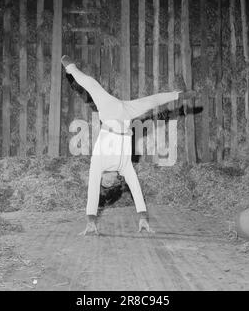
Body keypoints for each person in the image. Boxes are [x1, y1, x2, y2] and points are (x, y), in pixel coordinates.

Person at [61, 55, 184, 235]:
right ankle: (178, 94)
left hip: (109, 112)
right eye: (112, 184)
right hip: (125, 116)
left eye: (105, 183)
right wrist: (143, 217)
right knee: (150, 102)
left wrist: (90, 220)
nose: (109, 182)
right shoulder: (124, 168)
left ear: (102, 177)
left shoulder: (98, 164)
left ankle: (69, 66)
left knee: (91, 85)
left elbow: (92, 191)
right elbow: (135, 188)